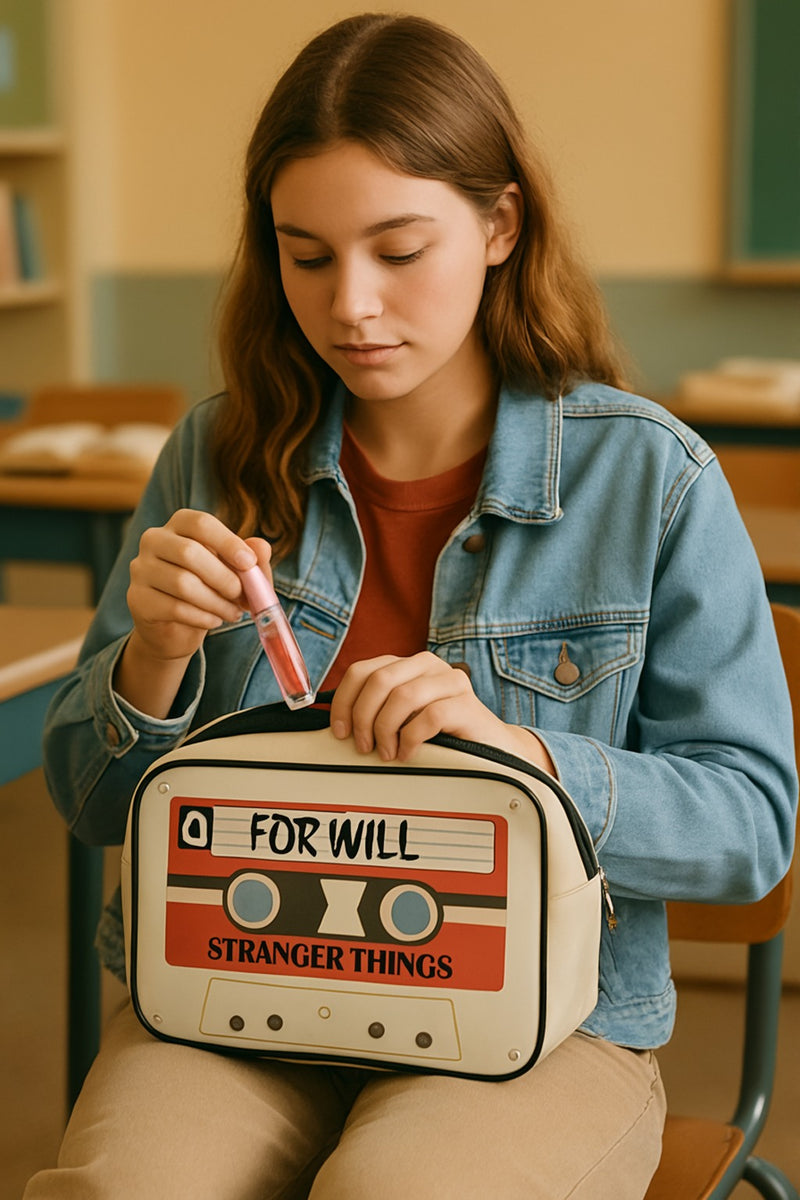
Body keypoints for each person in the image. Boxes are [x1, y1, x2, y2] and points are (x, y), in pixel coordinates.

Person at [25, 13, 797, 1200]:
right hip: (244, 994)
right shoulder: (217, 453)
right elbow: (87, 801)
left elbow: (751, 828)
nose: (352, 307)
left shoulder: (650, 479)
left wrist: (521, 754)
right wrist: (154, 665)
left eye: (398, 249)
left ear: (497, 225)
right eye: (307, 254)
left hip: (536, 1027)